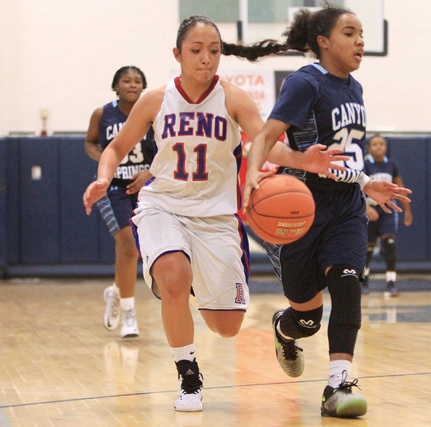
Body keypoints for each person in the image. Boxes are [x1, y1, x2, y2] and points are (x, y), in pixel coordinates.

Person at [83, 15, 348, 412]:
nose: (206, 59)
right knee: (174, 277)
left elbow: (265, 144)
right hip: (164, 206)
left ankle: (184, 279)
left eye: (214, 51)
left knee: (226, 327)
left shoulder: (233, 97)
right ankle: (188, 373)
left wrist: (302, 159)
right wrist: (104, 177)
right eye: (196, 51)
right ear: (177, 54)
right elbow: (116, 148)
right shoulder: (155, 99)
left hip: (217, 217)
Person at [243, 4, 412, 418]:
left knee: (349, 282)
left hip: (346, 206)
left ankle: (338, 385)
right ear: (323, 42)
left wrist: (366, 182)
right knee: (307, 317)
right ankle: (286, 330)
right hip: (299, 204)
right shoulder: (306, 83)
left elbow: (345, 155)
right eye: (350, 33)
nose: (360, 42)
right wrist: (251, 175)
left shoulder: (355, 88)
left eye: (361, 34)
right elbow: (266, 135)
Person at [85, 66, 155, 339]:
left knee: (142, 248)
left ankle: (116, 291)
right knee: (127, 247)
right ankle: (129, 314)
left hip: (147, 185)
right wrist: (105, 161)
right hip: (112, 187)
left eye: (138, 80)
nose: (132, 84)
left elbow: (167, 149)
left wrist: (150, 172)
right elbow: (91, 143)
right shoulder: (103, 114)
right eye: (126, 80)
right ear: (116, 86)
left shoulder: (153, 111)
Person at [362, 134, 413, 296]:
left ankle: (391, 282)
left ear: (386, 147)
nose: (379, 147)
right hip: (370, 209)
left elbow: (399, 186)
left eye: (382, 144)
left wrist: (408, 210)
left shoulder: (392, 164)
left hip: (388, 211)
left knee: (389, 243)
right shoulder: (364, 164)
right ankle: (364, 281)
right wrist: (366, 207)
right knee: (368, 247)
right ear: (369, 147)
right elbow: (358, 187)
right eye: (375, 144)